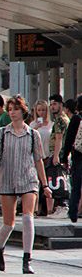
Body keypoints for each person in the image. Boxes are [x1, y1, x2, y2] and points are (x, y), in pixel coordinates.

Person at [0, 96, 49, 274]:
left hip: (28, 178)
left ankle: (27, 259)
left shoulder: (33, 134)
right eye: (10, 109)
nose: (12, 112)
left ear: (23, 111)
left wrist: (45, 185)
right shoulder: (2, 132)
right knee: (8, 223)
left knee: (27, 217)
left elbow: (38, 160)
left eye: (16, 109)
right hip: (7, 179)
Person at [59, 95, 82, 224]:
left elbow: (69, 139)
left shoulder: (76, 119)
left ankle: (73, 212)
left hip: (78, 156)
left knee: (76, 186)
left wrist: (64, 157)